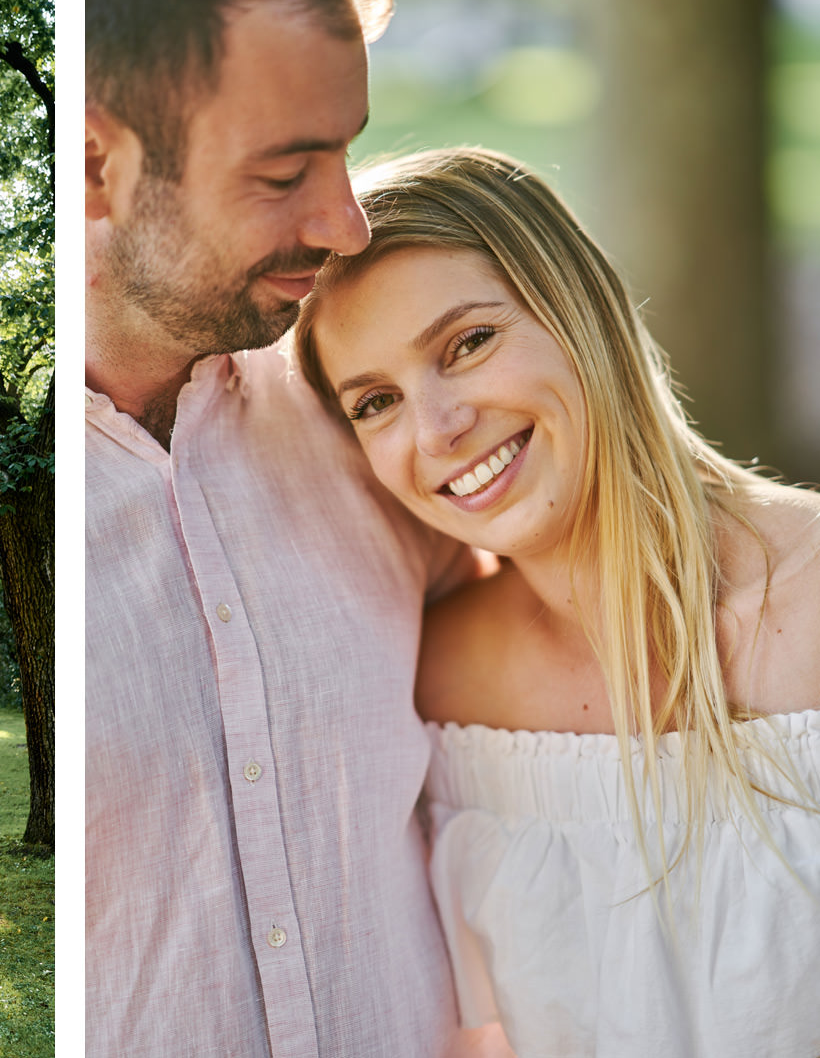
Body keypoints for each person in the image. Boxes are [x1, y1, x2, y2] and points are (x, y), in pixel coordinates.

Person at [294, 145, 820, 1057]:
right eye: (375, 402)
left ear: (584, 309)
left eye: (468, 343)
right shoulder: (439, 685)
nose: (438, 430)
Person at [86, 0, 506, 1055]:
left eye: (349, 149)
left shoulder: (377, 418)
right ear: (94, 166)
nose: (347, 224)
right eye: (287, 174)